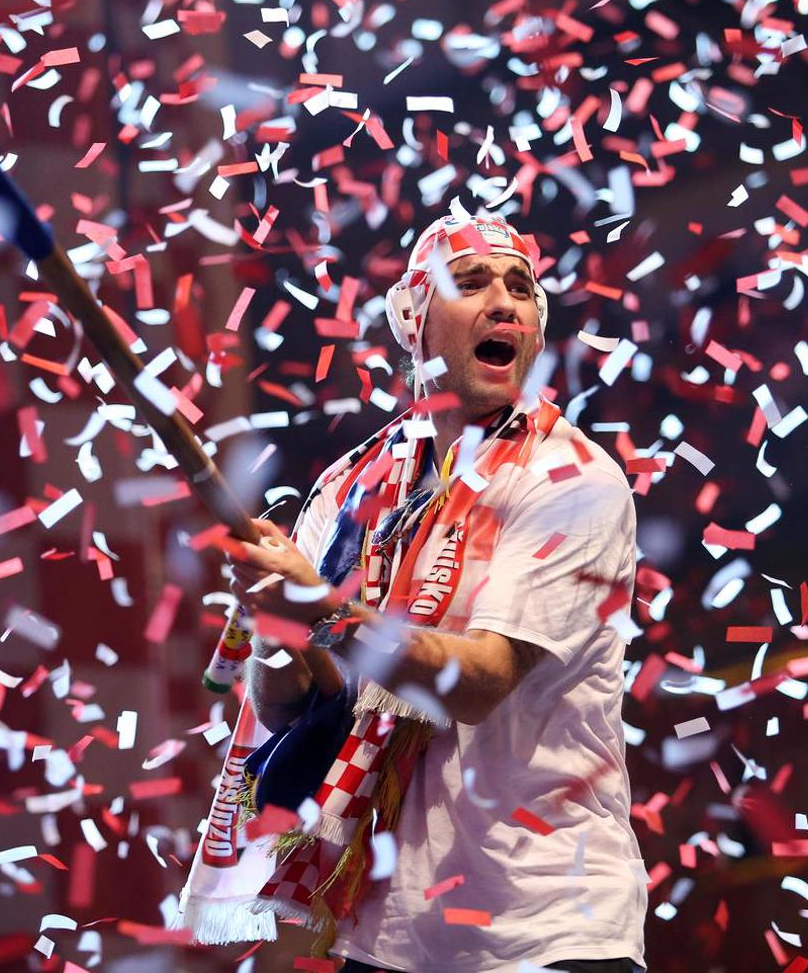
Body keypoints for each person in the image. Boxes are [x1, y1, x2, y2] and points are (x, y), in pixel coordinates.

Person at [179, 214, 645, 972]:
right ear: (414, 323)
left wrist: (324, 607)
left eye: (521, 288)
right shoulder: (349, 489)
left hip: (544, 931)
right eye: (471, 284)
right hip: (389, 931)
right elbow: (296, 706)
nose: (507, 304)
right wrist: (276, 621)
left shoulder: (571, 480)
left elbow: (478, 681)